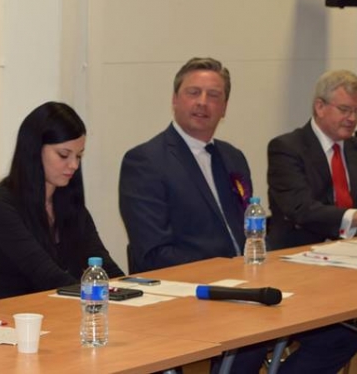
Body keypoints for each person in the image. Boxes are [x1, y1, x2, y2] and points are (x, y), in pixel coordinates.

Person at [119, 57, 357, 374]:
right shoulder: (145, 161)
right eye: (194, 92)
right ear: (175, 99)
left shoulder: (232, 157)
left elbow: (248, 229)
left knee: (340, 335)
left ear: (225, 107)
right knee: (250, 340)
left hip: (248, 285)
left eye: (214, 95)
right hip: (192, 289)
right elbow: (153, 253)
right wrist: (228, 272)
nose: (203, 102)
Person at [0, 102, 123, 304]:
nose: (74, 165)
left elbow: (103, 265)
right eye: (64, 155)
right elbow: (46, 276)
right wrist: (100, 296)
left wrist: (130, 291)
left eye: (79, 156)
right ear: (34, 149)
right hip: (7, 317)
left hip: (52, 313)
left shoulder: (68, 204)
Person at [268, 69, 357, 249]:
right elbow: (300, 208)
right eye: (344, 110)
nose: (352, 118)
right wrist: (352, 217)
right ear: (320, 107)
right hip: (299, 253)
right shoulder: (286, 148)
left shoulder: (354, 147)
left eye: (356, 111)